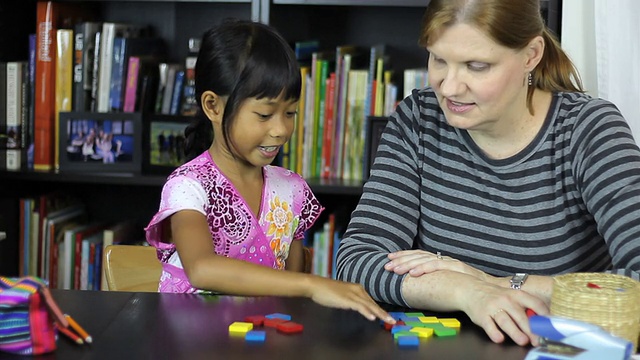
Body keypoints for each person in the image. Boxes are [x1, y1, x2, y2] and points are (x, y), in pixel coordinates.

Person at [336, 0, 640, 347]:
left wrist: (493, 282)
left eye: (476, 66)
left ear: (531, 54)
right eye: (438, 60)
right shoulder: (419, 119)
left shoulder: (589, 131)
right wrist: (466, 291)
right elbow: (357, 261)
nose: (449, 88)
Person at [145, 19, 395, 325]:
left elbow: (289, 295)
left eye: (289, 113)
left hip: (263, 340)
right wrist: (312, 285)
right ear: (213, 106)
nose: (281, 130)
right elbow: (201, 268)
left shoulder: (292, 189)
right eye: (264, 114)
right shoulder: (187, 187)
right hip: (192, 342)